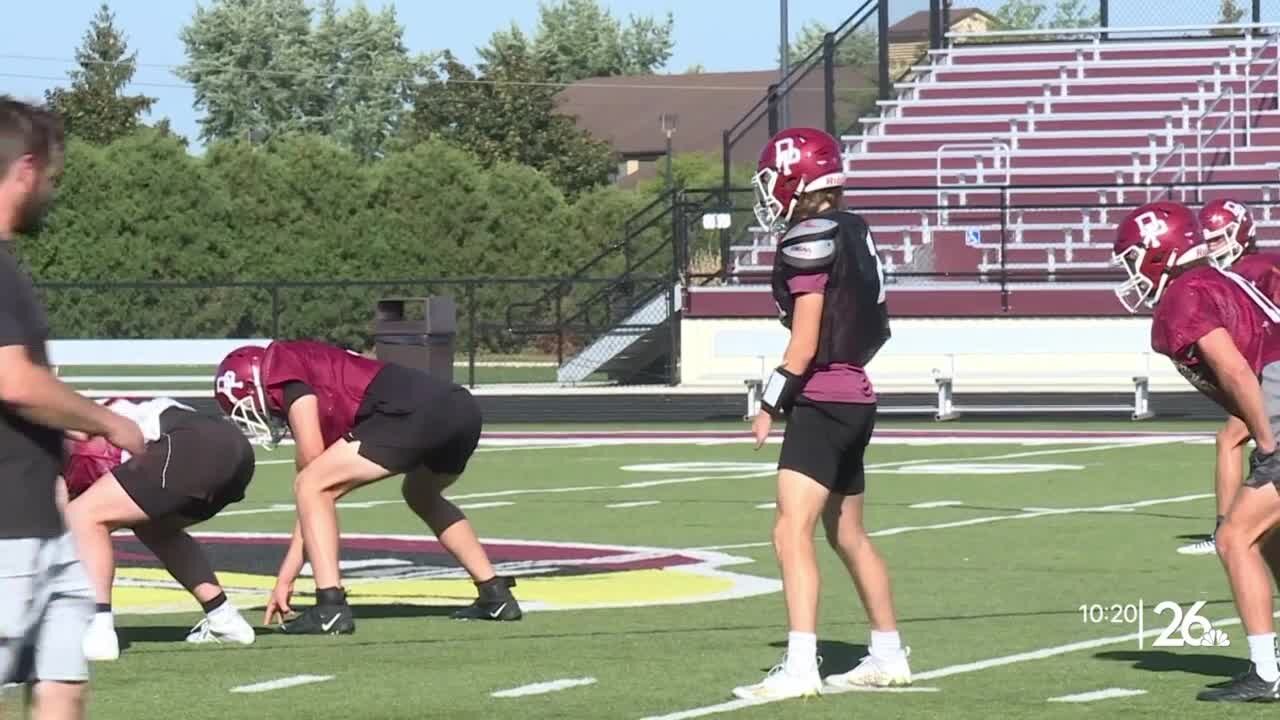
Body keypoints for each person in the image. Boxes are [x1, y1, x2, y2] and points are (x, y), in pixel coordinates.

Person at [732, 127, 910, 702]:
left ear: (795, 179)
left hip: (824, 396)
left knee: (790, 531)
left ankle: (801, 664)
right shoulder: (854, 227)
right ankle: (887, 653)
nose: (768, 193)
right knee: (848, 532)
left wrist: (769, 400)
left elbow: (805, 340)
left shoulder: (810, 236)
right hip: (857, 392)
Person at [214, 340, 520, 635]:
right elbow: (314, 505)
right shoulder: (316, 372)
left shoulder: (281, 365)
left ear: (255, 384)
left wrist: (286, 576)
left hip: (414, 412)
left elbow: (311, 479)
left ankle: (330, 607)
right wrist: (287, 575)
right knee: (420, 494)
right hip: (460, 409)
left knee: (311, 484)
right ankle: (494, 594)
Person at [0, 97, 145, 718]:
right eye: (52, 180)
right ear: (25, 169)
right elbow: (15, 381)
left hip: (42, 521)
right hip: (4, 529)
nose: (51, 195)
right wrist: (108, 421)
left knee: (64, 684)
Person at [1112, 200, 1280, 701]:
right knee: (1267, 539)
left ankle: (1266, 674)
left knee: (1235, 539)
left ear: (1159, 249)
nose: (1132, 271)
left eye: (1135, 257)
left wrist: (1268, 442)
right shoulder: (1217, 280)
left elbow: (1234, 371)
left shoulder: (1186, 294)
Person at [64, 397, 258, 661]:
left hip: (192, 446)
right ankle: (225, 620)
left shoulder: (90, 416)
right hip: (236, 453)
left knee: (82, 516)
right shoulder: (145, 412)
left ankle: (98, 631)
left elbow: (81, 430)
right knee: (154, 528)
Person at [1178, 199, 1275, 557]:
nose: (1213, 246)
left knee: (1232, 438)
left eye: (1219, 239)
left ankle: (1226, 526)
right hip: (1265, 371)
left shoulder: (1257, 268)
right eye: (1210, 240)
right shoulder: (1244, 270)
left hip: (1270, 372)